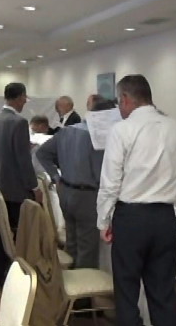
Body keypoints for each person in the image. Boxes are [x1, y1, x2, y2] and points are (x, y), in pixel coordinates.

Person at [97, 75, 176, 326]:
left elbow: (110, 183)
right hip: (166, 218)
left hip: (131, 218)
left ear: (125, 99)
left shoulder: (122, 130)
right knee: (163, 295)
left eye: (119, 101)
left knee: (127, 293)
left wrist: (103, 221)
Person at [36, 95, 115, 269]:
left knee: (72, 243)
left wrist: (55, 176)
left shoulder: (67, 131)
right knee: (87, 248)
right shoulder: (98, 138)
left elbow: (42, 153)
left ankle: (69, 281)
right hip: (88, 196)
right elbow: (102, 174)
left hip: (66, 191)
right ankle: (83, 285)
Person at [0, 82, 38, 290]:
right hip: (17, 188)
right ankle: (13, 277)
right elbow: (23, 160)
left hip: (0, 182)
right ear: (19, 97)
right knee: (19, 234)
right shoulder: (19, 122)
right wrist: (34, 187)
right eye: (24, 98)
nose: (25, 102)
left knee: (4, 232)